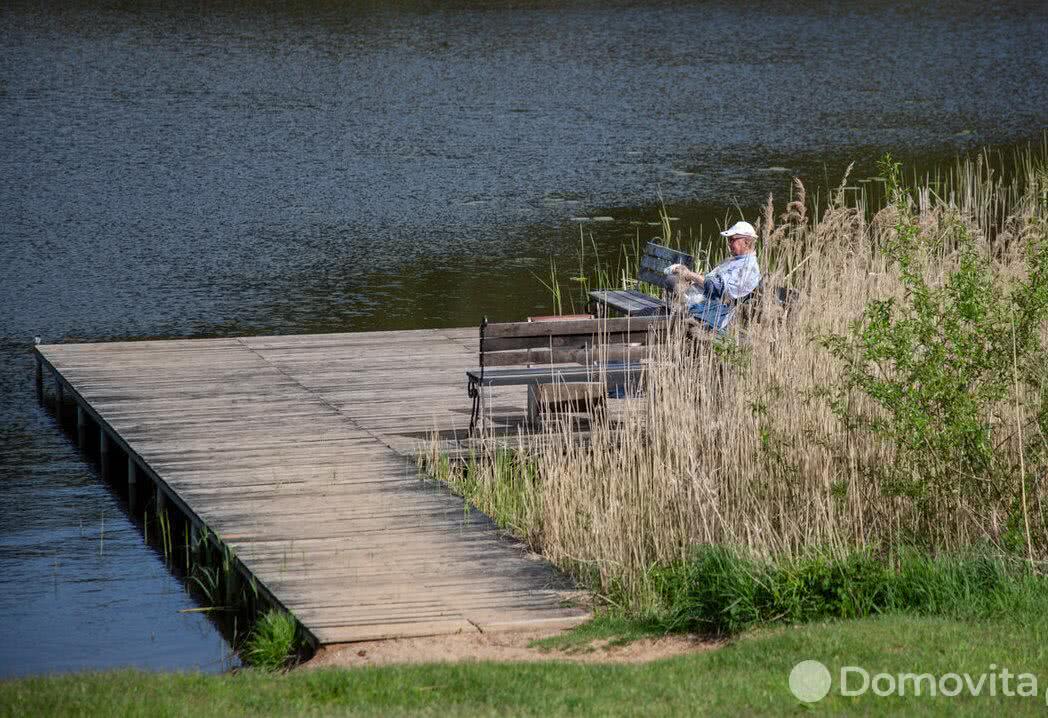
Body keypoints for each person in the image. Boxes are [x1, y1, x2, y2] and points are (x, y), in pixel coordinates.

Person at [664, 220, 762, 333]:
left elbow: (717, 288)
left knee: (672, 283)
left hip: (713, 316)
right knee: (671, 280)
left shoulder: (748, 267)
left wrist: (689, 275)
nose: (729, 244)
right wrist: (691, 280)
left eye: (732, 240)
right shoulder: (737, 261)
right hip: (704, 306)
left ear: (747, 242)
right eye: (729, 240)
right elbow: (713, 280)